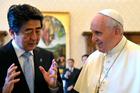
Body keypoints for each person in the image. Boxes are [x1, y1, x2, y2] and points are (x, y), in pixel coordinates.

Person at [0, 4, 63, 93]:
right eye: (28, 32)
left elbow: (59, 90)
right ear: (12, 33)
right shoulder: (1, 56)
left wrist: (53, 87)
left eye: (37, 31)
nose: (34, 37)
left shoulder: (47, 57)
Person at [74, 9, 140, 93]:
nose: (93, 39)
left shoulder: (138, 57)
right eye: (92, 33)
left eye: (98, 33)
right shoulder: (92, 59)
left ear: (117, 31)